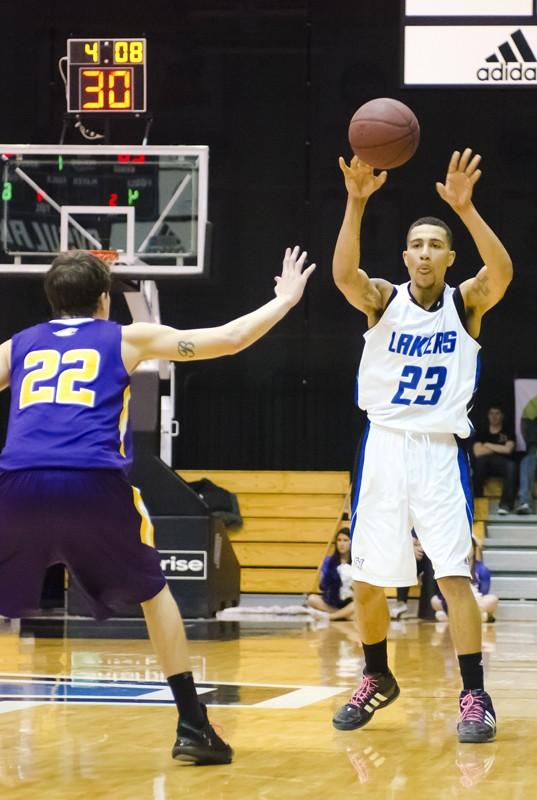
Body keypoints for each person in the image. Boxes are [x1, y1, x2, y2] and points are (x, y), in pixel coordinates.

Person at [0, 246, 315, 765]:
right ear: (105, 300)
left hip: (18, 481)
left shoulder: (19, 345)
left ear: (51, 300)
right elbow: (229, 339)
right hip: (91, 481)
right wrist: (283, 300)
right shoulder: (126, 336)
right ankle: (192, 724)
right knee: (155, 594)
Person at [331, 148, 512, 744]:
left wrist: (466, 207)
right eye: (418, 244)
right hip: (383, 446)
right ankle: (377, 676)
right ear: (405, 255)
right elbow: (343, 277)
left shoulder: (465, 302)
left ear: (449, 256)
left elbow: (503, 272)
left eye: (437, 244)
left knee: (454, 576)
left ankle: (474, 694)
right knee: (367, 578)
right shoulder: (384, 299)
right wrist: (356, 202)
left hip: (439, 452)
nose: (426, 252)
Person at [432, 538, 498, 624]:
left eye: (468, 547)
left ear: (474, 550)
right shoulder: (452, 567)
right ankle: (477, 617)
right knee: (434, 600)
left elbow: (484, 593)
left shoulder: (482, 569)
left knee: (492, 599)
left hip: (475, 601)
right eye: (463, 548)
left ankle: (453, 617)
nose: (466, 551)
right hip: (455, 601)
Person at [472, 404, 516, 514]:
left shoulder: (508, 432)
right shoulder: (482, 431)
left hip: (502, 463)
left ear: (502, 416)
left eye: (497, 413)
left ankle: (505, 505)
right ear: (488, 415)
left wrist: (487, 445)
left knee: (511, 466)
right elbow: (477, 452)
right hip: (485, 463)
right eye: (491, 413)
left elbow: (508, 450)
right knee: (479, 462)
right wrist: (499, 447)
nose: (494, 416)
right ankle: (477, 500)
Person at [307, 527, 355, 621]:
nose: (341, 543)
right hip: (332, 602)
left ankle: (331, 616)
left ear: (351, 542)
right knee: (311, 599)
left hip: (349, 601)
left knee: (357, 604)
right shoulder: (328, 561)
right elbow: (322, 586)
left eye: (345, 540)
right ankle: (344, 615)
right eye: (339, 540)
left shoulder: (355, 562)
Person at [514, 395, 537, 514]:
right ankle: (524, 501)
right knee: (526, 461)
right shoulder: (533, 421)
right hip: (535, 453)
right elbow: (530, 440)